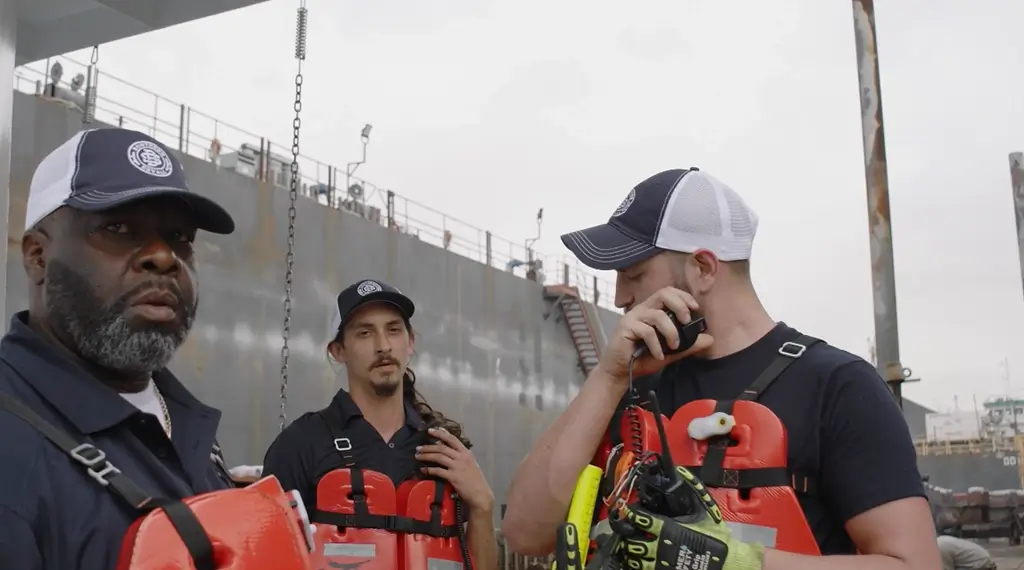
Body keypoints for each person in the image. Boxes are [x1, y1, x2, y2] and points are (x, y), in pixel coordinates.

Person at [502, 167, 942, 569]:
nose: (619, 297)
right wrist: (609, 377)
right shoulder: (626, 386)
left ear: (703, 268)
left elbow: (915, 564)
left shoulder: (836, 385)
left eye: (634, 275)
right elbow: (525, 533)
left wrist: (736, 562)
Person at [0, 127, 238, 569]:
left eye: (180, 236)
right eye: (118, 227)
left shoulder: (182, 419)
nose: (164, 257)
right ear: (37, 256)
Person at [262, 279, 498, 569]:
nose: (383, 346)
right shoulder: (300, 445)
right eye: (365, 333)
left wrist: (482, 506)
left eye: (394, 330)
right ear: (339, 351)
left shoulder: (444, 448)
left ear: (410, 342)